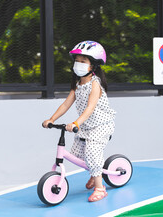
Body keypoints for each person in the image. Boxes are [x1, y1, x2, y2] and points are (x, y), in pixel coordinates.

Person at [42, 40, 116, 202]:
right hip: (85, 126)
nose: (78, 64)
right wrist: (52, 119)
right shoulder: (77, 84)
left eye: (83, 61)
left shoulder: (95, 84)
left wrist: (76, 123)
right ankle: (95, 173)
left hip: (100, 125)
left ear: (93, 66)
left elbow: (90, 108)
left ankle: (99, 188)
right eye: (77, 61)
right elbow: (66, 103)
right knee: (77, 155)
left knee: (92, 153)